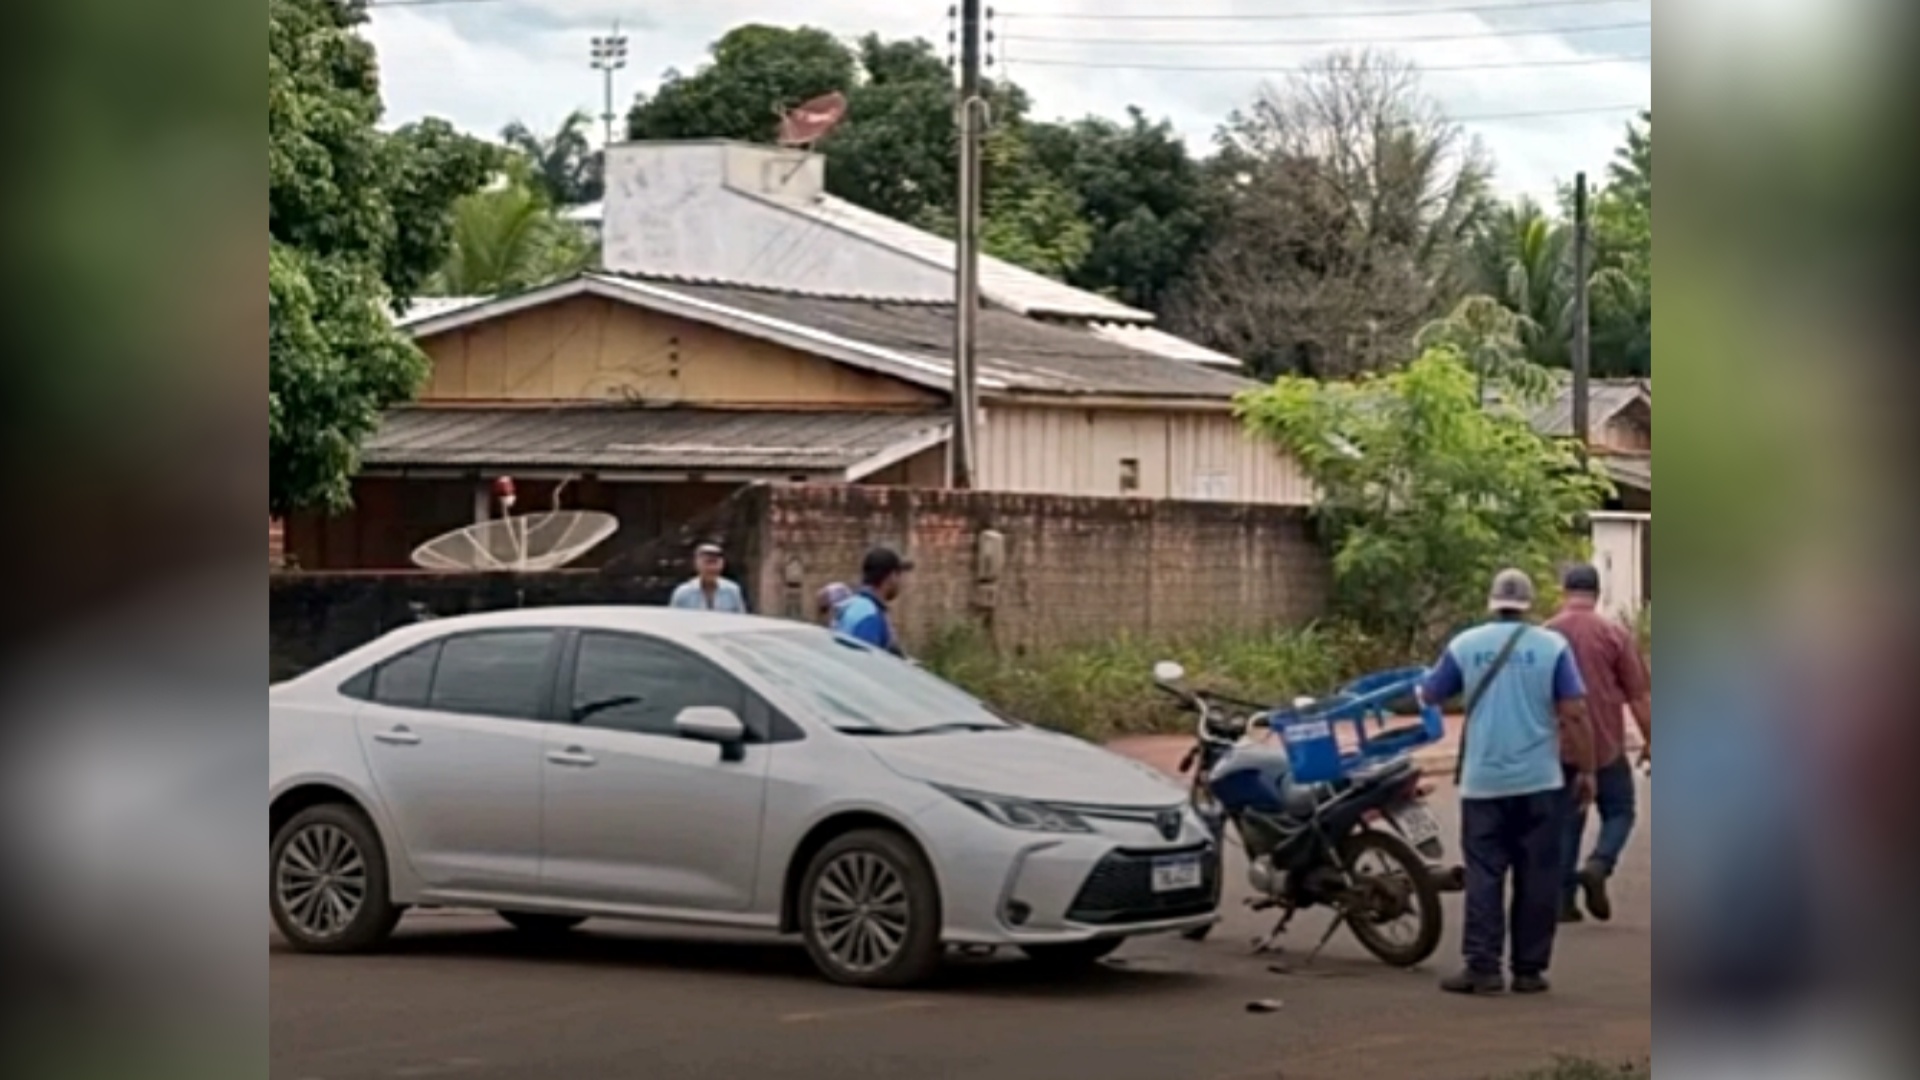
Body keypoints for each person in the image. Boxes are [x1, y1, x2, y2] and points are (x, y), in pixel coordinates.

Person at [1418, 568, 1596, 996]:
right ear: (1530, 603)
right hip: (1540, 781)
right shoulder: (1553, 647)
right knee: (1538, 876)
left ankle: (1483, 967)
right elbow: (1574, 712)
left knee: (1485, 873)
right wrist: (1588, 769)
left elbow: (1429, 695)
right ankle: (1529, 970)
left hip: (1485, 781)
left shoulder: (1465, 644)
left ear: (1492, 601)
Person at [1548, 563, 1652, 924]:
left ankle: (1563, 901)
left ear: (1565, 590)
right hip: (1606, 744)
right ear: (1598, 593)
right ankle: (1599, 863)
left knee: (1566, 820)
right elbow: (1639, 696)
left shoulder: (1545, 635)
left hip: (1560, 745)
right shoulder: (1615, 634)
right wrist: (1652, 739)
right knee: (1620, 811)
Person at [833, 547, 912, 656]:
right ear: (892, 577)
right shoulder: (870, 615)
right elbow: (869, 663)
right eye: (899, 576)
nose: (901, 582)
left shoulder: (852, 605)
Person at [668, 542, 748, 613]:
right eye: (708, 562)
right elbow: (674, 622)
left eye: (715, 562)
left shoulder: (732, 591)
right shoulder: (683, 593)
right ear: (697, 564)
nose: (712, 568)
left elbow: (741, 620)